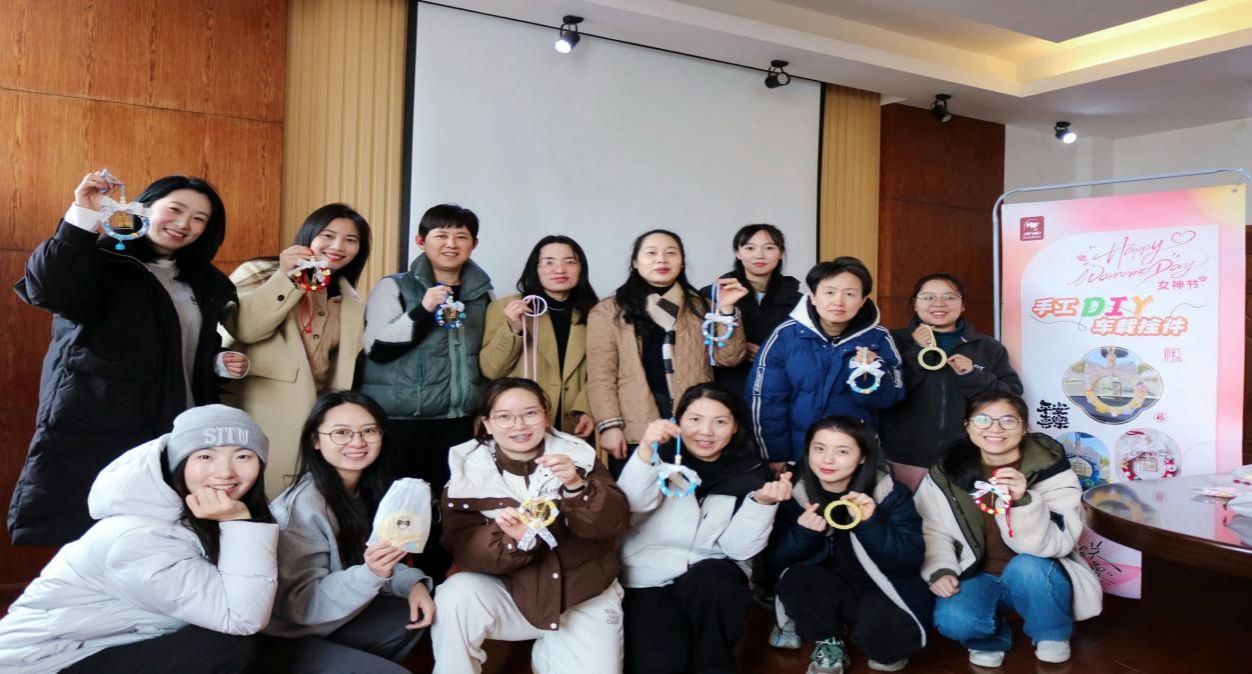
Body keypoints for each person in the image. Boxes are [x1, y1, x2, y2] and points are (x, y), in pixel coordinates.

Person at [9, 172, 248, 546]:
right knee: (96, 538)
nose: (184, 223)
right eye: (175, 209)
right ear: (144, 208)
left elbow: (182, 346)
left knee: (164, 541)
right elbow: (48, 288)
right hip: (103, 421)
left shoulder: (203, 281)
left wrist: (216, 364)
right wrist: (83, 214)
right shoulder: (101, 261)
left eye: (199, 218)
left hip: (177, 430)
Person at [0, 405, 277, 673]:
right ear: (178, 463)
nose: (226, 472)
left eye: (243, 456)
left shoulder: (203, 516)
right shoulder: (139, 538)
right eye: (205, 456)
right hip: (45, 662)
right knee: (229, 648)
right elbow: (243, 618)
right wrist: (240, 523)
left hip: (111, 643)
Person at [432, 378, 629, 674]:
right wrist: (515, 541)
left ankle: (552, 654)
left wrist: (576, 486)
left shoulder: (578, 457)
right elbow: (464, 546)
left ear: (545, 416)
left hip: (580, 594)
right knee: (454, 595)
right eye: (504, 417)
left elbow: (611, 524)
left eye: (530, 414)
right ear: (487, 424)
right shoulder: (467, 471)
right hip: (510, 592)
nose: (519, 426)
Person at [914, 391, 1103, 668]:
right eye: (982, 420)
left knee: (1027, 567)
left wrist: (1022, 501)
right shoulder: (946, 473)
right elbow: (932, 529)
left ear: (1025, 427)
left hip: (1036, 572)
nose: (995, 429)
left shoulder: (1050, 469)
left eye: (1008, 420)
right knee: (954, 620)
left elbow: (1057, 544)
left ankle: (1051, 632)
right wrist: (940, 569)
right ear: (967, 425)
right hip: (976, 573)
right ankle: (990, 638)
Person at [617, 383, 791, 674]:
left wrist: (762, 503)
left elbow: (739, 550)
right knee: (660, 665)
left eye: (720, 422)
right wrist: (645, 451)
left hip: (708, 574)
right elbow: (628, 506)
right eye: (695, 419)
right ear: (678, 421)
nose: (706, 432)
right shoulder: (656, 458)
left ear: (735, 427)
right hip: (647, 575)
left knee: (716, 581)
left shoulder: (750, 472)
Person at [358, 203, 492, 578]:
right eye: (441, 235)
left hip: (457, 419)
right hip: (402, 419)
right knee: (396, 508)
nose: (451, 243)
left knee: (447, 507)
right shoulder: (392, 286)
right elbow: (376, 348)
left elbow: (484, 358)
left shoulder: (482, 294)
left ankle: (435, 583)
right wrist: (423, 310)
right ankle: (389, 582)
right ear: (421, 241)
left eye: (461, 236)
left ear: (474, 243)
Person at [263, 390, 434, 673]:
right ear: (315, 440)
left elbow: (368, 561)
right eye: (341, 432)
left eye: (369, 431)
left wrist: (411, 583)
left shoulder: (368, 490)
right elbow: (299, 604)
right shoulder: (301, 508)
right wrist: (372, 574)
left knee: (414, 614)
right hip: (289, 635)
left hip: (331, 621)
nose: (357, 442)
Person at [221, 204, 372, 495]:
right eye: (328, 235)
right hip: (261, 407)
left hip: (318, 418)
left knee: (305, 501)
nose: (338, 246)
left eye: (351, 240)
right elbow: (245, 328)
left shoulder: (349, 298)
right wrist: (288, 276)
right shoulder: (259, 272)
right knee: (259, 493)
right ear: (309, 234)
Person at [768, 416, 931, 674]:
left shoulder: (889, 492)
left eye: (842, 451)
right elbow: (777, 560)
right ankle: (828, 641)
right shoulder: (794, 492)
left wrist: (872, 523)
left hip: (883, 587)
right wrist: (804, 533)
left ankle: (877, 635)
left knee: (886, 653)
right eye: (819, 448)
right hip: (830, 589)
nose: (827, 460)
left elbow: (909, 559)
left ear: (863, 457)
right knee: (796, 578)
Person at [587, 229, 747, 473]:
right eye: (651, 253)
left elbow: (729, 358)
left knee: (692, 490)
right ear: (635, 262)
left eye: (671, 253)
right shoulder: (608, 311)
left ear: (681, 262)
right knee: (638, 492)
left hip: (692, 422)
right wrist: (609, 426)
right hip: (635, 419)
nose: (661, 259)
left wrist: (726, 311)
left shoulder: (701, 307)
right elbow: (601, 375)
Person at [748, 256, 903, 471]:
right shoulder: (785, 336)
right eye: (829, 292)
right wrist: (774, 454)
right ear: (812, 296)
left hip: (855, 456)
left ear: (862, 300)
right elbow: (765, 399)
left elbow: (888, 399)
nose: (838, 301)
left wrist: (869, 373)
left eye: (850, 294)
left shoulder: (878, 338)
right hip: (798, 454)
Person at [880, 273, 1022, 490]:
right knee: (903, 510)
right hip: (902, 459)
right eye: (928, 297)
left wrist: (972, 375)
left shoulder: (987, 347)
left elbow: (1011, 398)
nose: (939, 304)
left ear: (962, 305)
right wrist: (916, 352)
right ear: (915, 304)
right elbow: (884, 394)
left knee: (962, 512)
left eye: (949, 297)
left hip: (967, 460)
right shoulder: (892, 342)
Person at [480, 235, 597, 439]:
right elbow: (491, 370)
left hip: (575, 421)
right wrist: (513, 328)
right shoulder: (505, 308)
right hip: (521, 424)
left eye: (569, 262)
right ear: (535, 268)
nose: (559, 270)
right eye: (549, 262)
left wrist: (586, 408)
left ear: (581, 268)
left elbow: (603, 369)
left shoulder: (596, 312)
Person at [702, 224, 802, 399]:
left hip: (779, 390)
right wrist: (737, 345)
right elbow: (698, 344)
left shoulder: (799, 301)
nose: (759, 255)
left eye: (769, 248)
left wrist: (771, 352)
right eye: (750, 248)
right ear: (738, 253)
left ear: (781, 253)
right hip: (724, 391)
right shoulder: (712, 295)